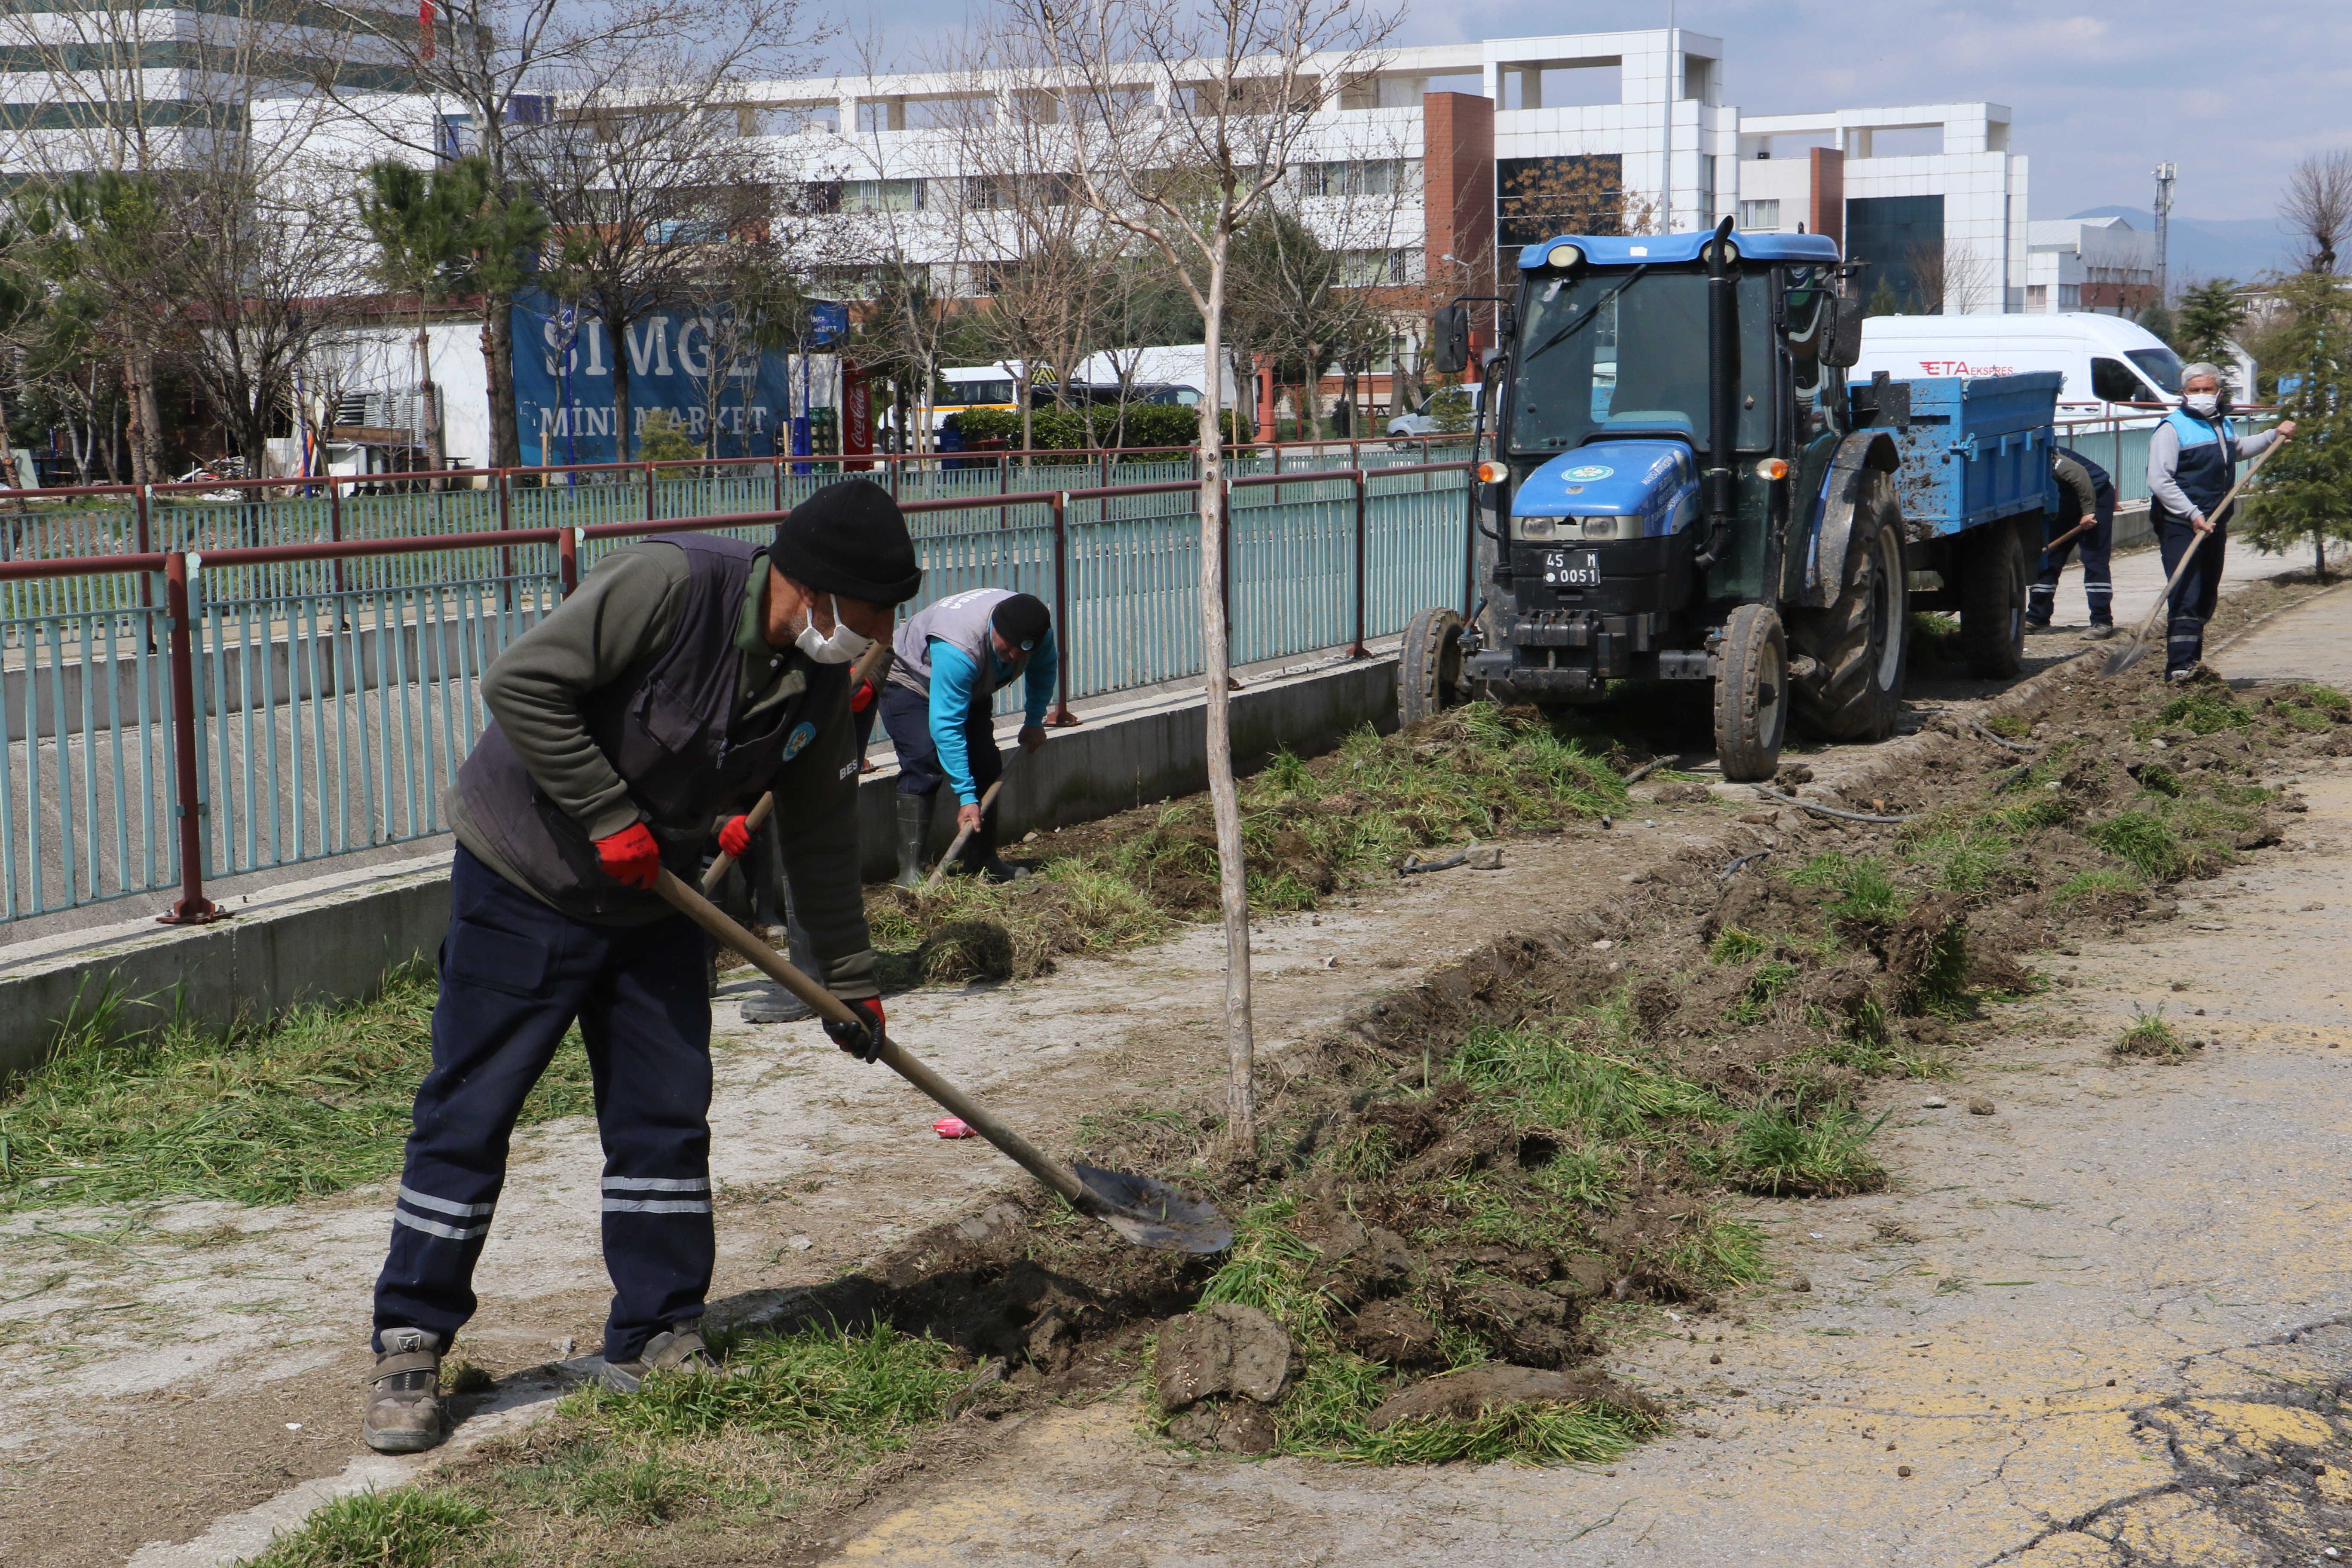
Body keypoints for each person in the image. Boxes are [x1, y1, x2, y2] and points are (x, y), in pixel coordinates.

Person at [361, 478, 922, 1455]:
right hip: (523, 877)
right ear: (819, 588)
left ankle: (657, 1328)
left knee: (664, 1119)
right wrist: (606, 811)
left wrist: (847, 977)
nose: (877, 636)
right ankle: (411, 1337)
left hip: (659, 903)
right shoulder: (669, 585)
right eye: (873, 616)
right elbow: (521, 684)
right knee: (470, 1112)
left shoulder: (820, 686)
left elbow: (823, 841)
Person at [881, 588, 1057, 885]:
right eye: (1010, 646)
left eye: (1024, 651)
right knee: (923, 761)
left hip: (971, 685)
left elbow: (1044, 668)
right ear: (995, 629)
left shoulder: (1035, 633)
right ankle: (910, 873)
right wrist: (966, 797)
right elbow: (947, 726)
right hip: (910, 679)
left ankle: (983, 860)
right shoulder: (959, 648)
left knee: (986, 763)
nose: (1016, 656)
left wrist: (1033, 720)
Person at [2147, 364, 2294, 680]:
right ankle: (2180, 667)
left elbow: (2236, 450)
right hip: (2181, 523)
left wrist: (2273, 435)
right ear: (2184, 393)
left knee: (2205, 595)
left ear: (2219, 392)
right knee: (2186, 591)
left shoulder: (2221, 425)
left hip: (2214, 521)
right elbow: (2160, 480)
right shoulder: (2172, 429)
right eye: (2194, 390)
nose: (2201, 396)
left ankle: (2193, 663)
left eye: (2207, 389)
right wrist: (2192, 514)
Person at [2027, 446, 2117, 638]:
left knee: (2094, 560)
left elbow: (2079, 474)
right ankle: (2037, 617)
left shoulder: (2044, 456)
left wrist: (2087, 513)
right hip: (2066, 501)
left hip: (2096, 496)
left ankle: (2102, 621)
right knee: (2048, 558)